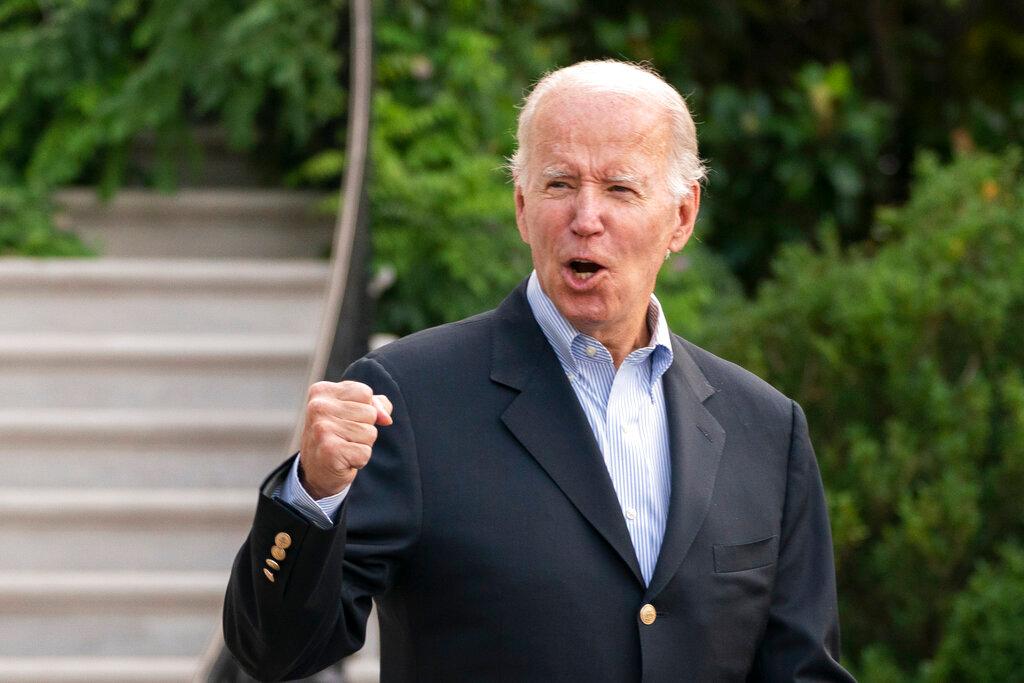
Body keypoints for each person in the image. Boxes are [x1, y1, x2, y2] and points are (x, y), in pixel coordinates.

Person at [223, 60, 855, 682]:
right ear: (523, 209)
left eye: (619, 188)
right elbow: (276, 651)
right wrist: (311, 493)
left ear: (681, 217)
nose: (586, 218)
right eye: (559, 185)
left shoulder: (767, 429)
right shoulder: (409, 399)